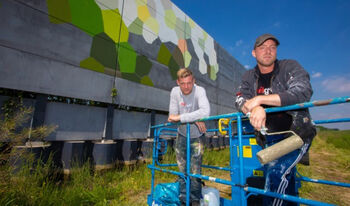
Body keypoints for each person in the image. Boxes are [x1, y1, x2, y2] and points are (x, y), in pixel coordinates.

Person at [235, 34, 316, 206]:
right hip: (268, 137)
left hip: (296, 135)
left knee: (277, 174)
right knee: (282, 178)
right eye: (262, 47)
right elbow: (240, 100)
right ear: (253, 53)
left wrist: (261, 100)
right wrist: (255, 107)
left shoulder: (290, 67)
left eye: (272, 47)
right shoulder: (249, 76)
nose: (268, 51)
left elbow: (303, 91)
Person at [168, 68, 210, 206]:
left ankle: (195, 200)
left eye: (189, 83)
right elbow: (172, 116)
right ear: (178, 82)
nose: (186, 87)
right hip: (181, 135)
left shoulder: (200, 91)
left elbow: (206, 112)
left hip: (197, 136)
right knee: (182, 168)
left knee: (195, 169)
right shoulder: (175, 92)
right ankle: (183, 199)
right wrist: (195, 117)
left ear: (194, 81)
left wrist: (184, 117)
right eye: (183, 83)